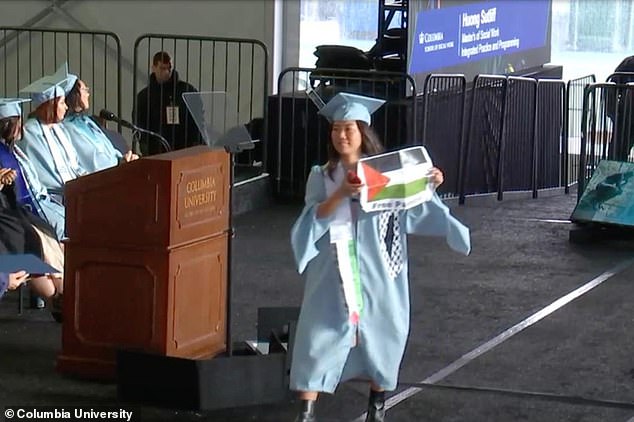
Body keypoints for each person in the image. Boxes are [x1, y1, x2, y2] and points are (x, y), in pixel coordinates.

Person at [289, 93, 471, 422]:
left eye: (349, 129)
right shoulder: (323, 175)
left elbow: (411, 209)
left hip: (377, 266)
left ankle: (377, 406)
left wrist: (430, 184)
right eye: (336, 129)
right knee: (315, 339)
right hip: (333, 268)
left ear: (362, 133)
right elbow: (312, 218)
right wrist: (343, 193)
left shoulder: (386, 174)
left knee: (384, 333)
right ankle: (305, 414)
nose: (341, 135)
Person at [19, 65, 89, 203]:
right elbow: (45, 174)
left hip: (74, 190)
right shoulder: (30, 133)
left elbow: (74, 165)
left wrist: (88, 178)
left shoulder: (60, 130)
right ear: (51, 105)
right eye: (62, 103)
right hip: (55, 197)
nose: (66, 107)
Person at [0, 98, 66, 240]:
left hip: (41, 202)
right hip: (22, 210)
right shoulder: (4, 154)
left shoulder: (13, 149)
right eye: (19, 122)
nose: (22, 127)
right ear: (10, 125)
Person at [133, 51, 203, 155]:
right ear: (153, 68)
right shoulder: (145, 96)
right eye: (162, 68)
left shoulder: (187, 91)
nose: (166, 72)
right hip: (156, 151)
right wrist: (145, 147)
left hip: (185, 150)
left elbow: (199, 120)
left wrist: (196, 144)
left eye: (169, 68)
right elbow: (139, 123)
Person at [63, 76, 138, 173]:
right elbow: (92, 159)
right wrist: (119, 162)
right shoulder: (69, 127)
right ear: (74, 94)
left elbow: (108, 147)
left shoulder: (86, 121)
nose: (88, 94)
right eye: (84, 89)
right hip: (100, 177)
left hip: (114, 169)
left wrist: (124, 158)